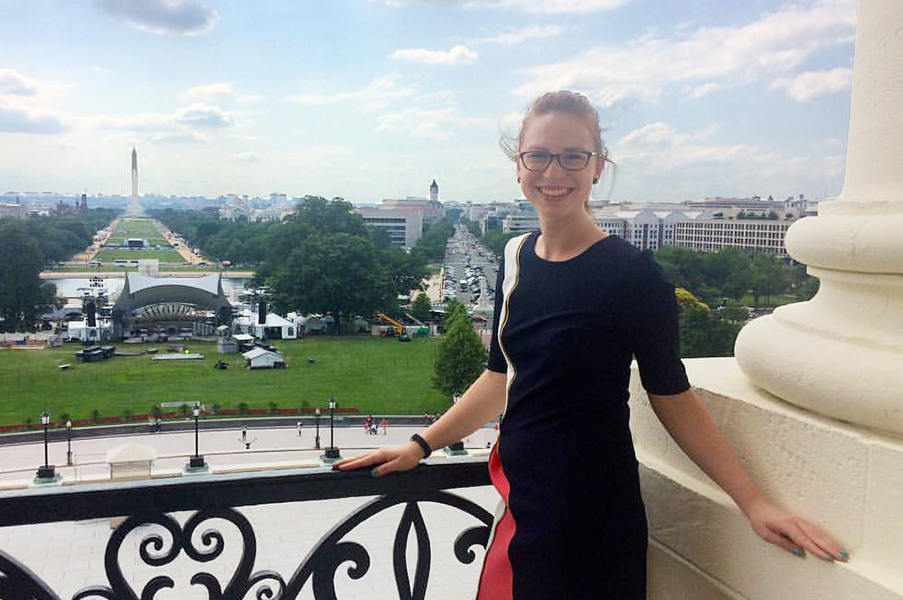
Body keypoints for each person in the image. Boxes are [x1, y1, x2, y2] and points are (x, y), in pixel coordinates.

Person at [335, 91, 847, 600]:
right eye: (538, 154)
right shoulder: (515, 258)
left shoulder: (634, 277)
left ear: (597, 166)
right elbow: (501, 378)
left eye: (573, 156)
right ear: (519, 165)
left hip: (590, 514)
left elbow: (673, 398)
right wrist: (421, 445)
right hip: (521, 498)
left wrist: (754, 503)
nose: (553, 171)